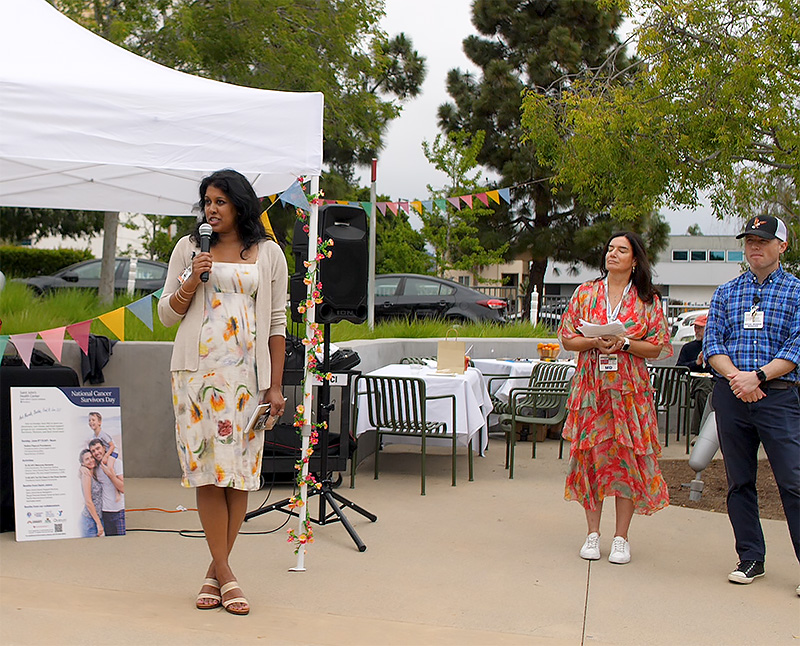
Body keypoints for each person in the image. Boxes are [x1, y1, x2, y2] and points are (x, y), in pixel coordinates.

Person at [157, 169, 288, 616]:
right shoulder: (189, 249)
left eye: (220, 201)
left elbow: (276, 326)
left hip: (247, 383)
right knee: (208, 472)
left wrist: (275, 386)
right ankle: (227, 574)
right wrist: (192, 279)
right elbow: (166, 315)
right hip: (195, 378)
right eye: (207, 201)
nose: (211, 209)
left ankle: (216, 571)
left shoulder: (268, 254)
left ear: (240, 205)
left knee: (239, 475)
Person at [558, 231, 672, 565]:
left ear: (635, 259)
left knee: (626, 459)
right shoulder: (586, 293)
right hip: (593, 390)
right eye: (610, 248)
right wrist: (594, 342)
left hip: (630, 392)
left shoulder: (647, 299)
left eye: (622, 250)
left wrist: (624, 344)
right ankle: (592, 534)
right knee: (592, 458)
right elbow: (567, 338)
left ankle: (621, 537)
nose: (613, 254)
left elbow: (659, 346)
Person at [703, 214, 799, 595]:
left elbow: (796, 347)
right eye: (749, 241)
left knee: (793, 482)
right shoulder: (727, 292)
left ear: (782, 247)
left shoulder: (796, 291)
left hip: (776, 396)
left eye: (762, 240)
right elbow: (713, 344)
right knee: (739, 482)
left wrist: (757, 377)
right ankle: (750, 558)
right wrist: (737, 380)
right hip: (733, 395)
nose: (754, 246)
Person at [675, 314, 713, 436]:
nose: (697, 331)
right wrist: (696, 363)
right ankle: (703, 432)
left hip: (716, 381)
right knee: (703, 390)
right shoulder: (688, 348)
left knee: (705, 390)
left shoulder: (715, 347)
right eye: (695, 328)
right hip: (695, 382)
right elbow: (679, 368)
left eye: (700, 328)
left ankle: (700, 432)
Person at [88, 438, 125, 536]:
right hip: (105, 512)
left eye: (98, 448)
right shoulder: (96, 468)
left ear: (104, 448)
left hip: (119, 511)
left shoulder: (116, 463)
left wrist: (111, 475)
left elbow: (123, 488)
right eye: (93, 451)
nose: (96, 452)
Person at [78, 449, 104, 538]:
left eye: (91, 457)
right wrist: (99, 523)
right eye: (87, 459)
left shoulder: (93, 472)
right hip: (90, 521)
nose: (91, 460)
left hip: (97, 518)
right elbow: (88, 501)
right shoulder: (86, 475)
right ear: (83, 463)